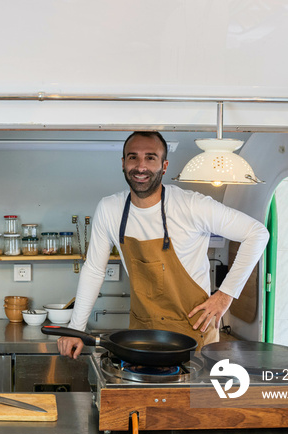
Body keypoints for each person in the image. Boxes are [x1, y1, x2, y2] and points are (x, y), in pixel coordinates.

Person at [57, 131, 269, 358]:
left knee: (192, 395)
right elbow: (94, 270)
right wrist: (76, 329)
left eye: (150, 158)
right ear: (123, 163)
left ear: (164, 165)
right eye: (133, 157)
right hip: (142, 336)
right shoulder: (110, 209)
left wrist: (225, 295)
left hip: (194, 335)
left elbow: (257, 233)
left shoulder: (191, 205)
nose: (140, 166)